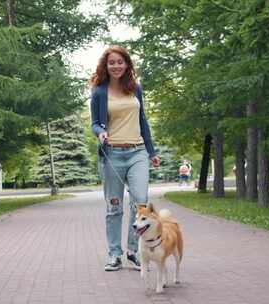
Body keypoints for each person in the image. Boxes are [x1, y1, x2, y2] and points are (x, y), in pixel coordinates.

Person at [90, 45, 160, 272]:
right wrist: (100, 132)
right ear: (106, 65)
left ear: (127, 64)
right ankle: (114, 254)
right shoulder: (100, 92)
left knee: (140, 201)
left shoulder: (135, 89)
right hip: (112, 154)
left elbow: (143, 121)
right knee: (114, 207)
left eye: (120, 62)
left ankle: (133, 250)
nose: (116, 66)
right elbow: (95, 123)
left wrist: (151, 151)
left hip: (137, 152)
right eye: (112, 62)